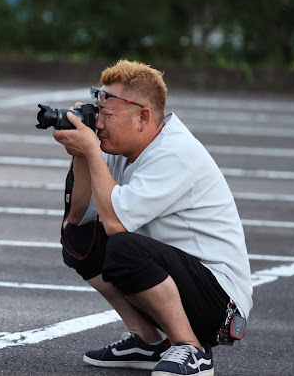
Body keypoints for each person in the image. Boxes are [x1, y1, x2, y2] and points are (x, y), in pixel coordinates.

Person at [52, 59, 252, 376]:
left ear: (143, 117)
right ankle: (149, 342)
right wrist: (82, 154)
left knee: (123, 247)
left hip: (220, 303)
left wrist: (91, 151)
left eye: (107, 114)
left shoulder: (174, 152)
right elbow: (78, 217)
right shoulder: (118, 149)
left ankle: (192, 349)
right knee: (79, 240)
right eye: (97, 112)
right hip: (179, 281)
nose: (99, 123)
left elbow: (116, 224)